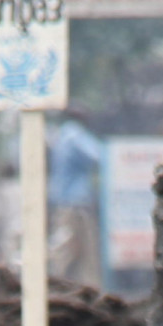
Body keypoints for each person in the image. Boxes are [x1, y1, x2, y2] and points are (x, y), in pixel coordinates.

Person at [48, 110, 103, 288]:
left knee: (68, 248)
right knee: (79, 250)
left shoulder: (59, 136)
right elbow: (98, 156)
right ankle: (82, 289)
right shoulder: (74, 134)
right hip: (76, 203)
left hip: (64, 202)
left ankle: (58, 285)